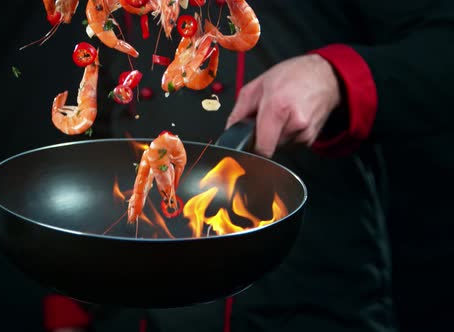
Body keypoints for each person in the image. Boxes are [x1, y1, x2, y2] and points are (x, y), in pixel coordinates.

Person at [42, 0, 454, 331]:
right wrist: (72, 297)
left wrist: (333, 76)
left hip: (305, 296)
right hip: (134, 307)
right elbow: (109, 114)